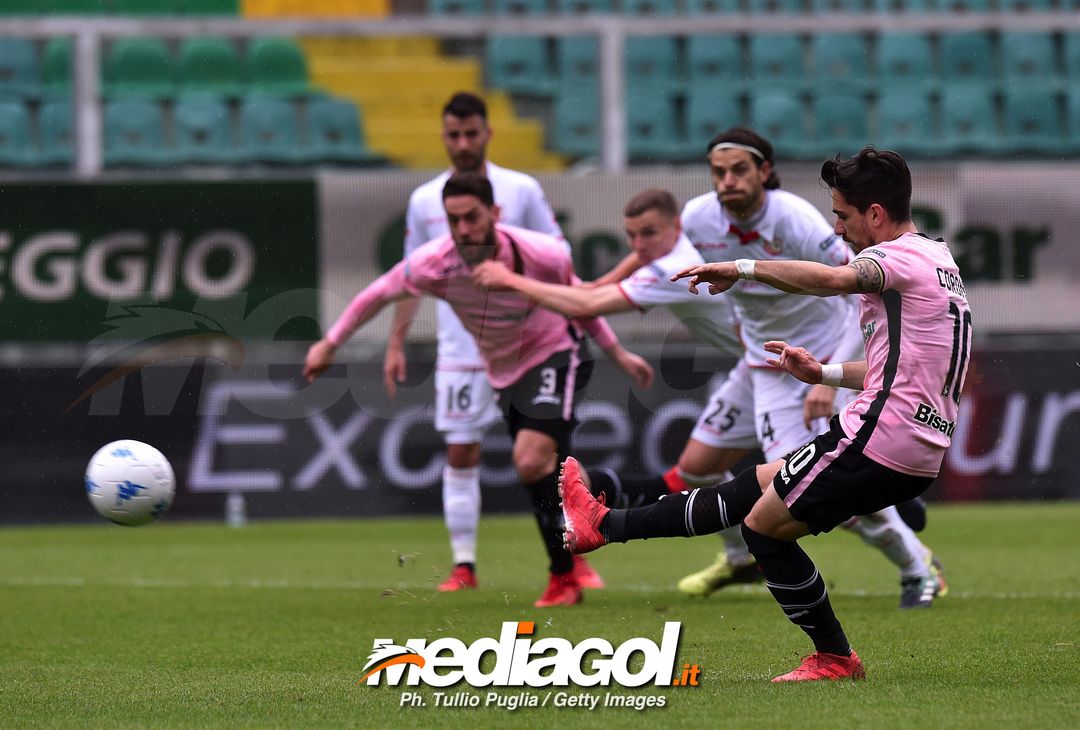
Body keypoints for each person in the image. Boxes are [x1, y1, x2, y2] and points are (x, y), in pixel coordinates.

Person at [559, 146, 973, 681]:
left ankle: (835, 657)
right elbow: (895, 367)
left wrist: (742, 268)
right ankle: (602, 526)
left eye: (843, 217)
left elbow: (835, 280)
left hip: (879, 437)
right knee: (746, 490)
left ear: (874, 214)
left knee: (763, 530)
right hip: (912, 440)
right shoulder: (939, 260)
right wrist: (821, 374)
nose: (840, 232)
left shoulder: (898, 257)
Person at [305, 172, 654, 608]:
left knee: (531, 461)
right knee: (548, 474)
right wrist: (330, 343)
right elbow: (375, 295)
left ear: (495, 213)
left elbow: (580, 303)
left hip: (556, 353)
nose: (464, 229)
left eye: (472, 217)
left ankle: (566, 569)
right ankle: (592, 533)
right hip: (504, 374)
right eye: (454, 220)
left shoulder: (542, 252)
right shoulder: (435, 262)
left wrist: (617, 353)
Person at [385, 92, 567, 593]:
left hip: (527, 344)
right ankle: (464, 565)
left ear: (488, 133)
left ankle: (572, 555)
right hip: (461, 347)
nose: (462, 144)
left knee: (543, 454)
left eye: (471, 134)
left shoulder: (521, 189)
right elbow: (410, 276)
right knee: (461, 450)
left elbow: (557, 255)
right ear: (443, 137)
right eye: (453, 135)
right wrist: (397, 342)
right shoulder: (425, 200)